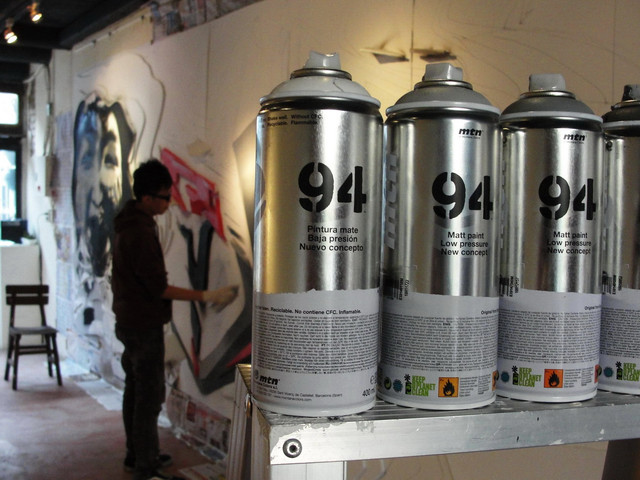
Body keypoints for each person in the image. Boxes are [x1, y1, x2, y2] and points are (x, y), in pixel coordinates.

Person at [111, 159, 238, 480]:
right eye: (166, 197)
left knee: (134, 391)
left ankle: (137, 455)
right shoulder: (139, 233)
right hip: (143, 326)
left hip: (129, 322)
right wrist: (208, 295)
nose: (170, 203)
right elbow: (159, 288)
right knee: (148, 397)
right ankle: (145, 466)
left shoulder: (129, 223)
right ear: (147, 198)